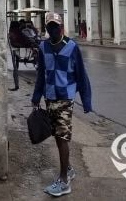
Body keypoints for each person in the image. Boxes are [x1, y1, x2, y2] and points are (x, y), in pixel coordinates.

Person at [32, 12, 92, 197]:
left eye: (56, 26)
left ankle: (64, 180)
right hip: (49, 98)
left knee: (63, 136)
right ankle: (69, 169)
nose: (53, 29)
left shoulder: (72, 47)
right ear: (47, 28)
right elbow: (41, 74)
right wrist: (36, 96)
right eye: (50, 26)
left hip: (65, 98)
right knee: (57, 136)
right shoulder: (43, 47)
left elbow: (81, 75)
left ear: (62, 27)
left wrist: (87, 100)